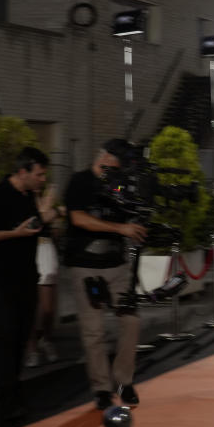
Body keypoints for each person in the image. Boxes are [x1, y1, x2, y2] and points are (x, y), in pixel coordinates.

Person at [0, 146, 56, 420]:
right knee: (6, 338)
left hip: (26, 279)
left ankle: (16, 395)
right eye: (39, 174)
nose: (42, 179)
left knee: (20, 339)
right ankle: (7, 401)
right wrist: (13, 233)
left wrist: (51, 215)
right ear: (23, 171)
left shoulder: (29, 196)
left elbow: (37, 227)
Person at [64, 139, 147, 410]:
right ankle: (101, 387)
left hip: (117, 265)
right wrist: (120, 229)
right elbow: (78, 219)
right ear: (104, 158)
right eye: (117, 161)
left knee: (131, 321)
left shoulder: (120, 184)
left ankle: (124, 381)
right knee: (94, 330)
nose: (120, 167)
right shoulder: (79, 181)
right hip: (85, 264)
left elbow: (129, 213)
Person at [25, 197, 62, 368]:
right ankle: (32, 347)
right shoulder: (24, 200)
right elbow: (34, 224)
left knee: (48, 308)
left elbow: (55, 231)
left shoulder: (47, 200)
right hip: (32, 250)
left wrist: (55, 222)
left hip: (47, 250)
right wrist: (48, 212)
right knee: (34, 307)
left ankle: (46, 339)